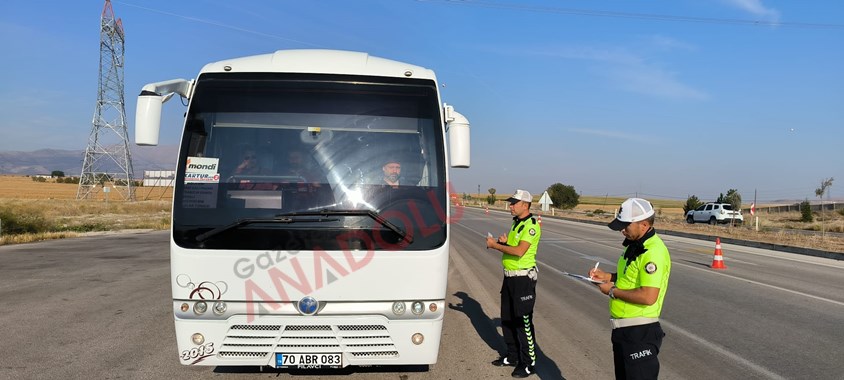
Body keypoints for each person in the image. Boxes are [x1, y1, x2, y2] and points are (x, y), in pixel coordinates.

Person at [588, 197, 671, 380]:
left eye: (626, 226)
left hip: (639, 333)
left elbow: (648, 296)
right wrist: (606, 276)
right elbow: (629, 278)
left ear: (644, 224)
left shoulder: (653, 252)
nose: (622, 231)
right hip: (624, 331)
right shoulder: (634, 245)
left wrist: (611, 291)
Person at [485, 189, 541, 378]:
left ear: (525, 205)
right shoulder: (516, 223)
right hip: (510, 278)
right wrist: (504, 243)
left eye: (514, 203)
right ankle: (512, 356)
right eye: (511, 203)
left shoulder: (531, 226)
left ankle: (529, 363)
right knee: (507, 318)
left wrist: (495, 245)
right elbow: (513, 248)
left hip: (523, 280)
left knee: (523, 322)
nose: (510, 206)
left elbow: (519, 252)